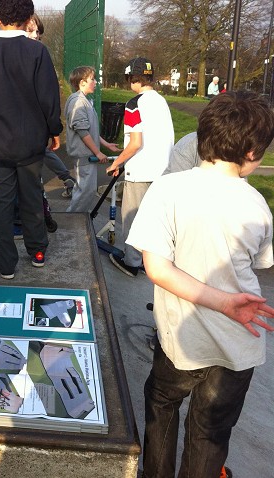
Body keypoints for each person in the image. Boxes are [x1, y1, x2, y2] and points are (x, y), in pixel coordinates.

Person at [127, 91, 274, 478]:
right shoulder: (257, 203)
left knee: (161, 401)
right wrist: (228, 302)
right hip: (239, 343)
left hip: (183, 338)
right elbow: (260, 262)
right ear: (252, 153)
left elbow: (157, 268)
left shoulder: (168, 190)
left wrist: (221, 301)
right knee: (210, 432)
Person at [0, 0, 61, 279]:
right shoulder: (37, 51)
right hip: (31, 143)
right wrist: (54, 129)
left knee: (2, 202)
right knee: (31, 197)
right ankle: (37, 252)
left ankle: (6, 264)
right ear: (28, 17)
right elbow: (49, 97)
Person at [105, 57, 173, 277]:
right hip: (163, 169)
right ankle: (148, 260)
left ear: (132, 79)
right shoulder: (161, 101)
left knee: (133, 217)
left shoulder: (134, 104)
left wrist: (117, 162)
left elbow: (135, 143)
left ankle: (132, 262)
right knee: (153, 218)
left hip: (141, 171)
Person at [25, 13, 76, 199]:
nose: (35, 35)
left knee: (35, 160)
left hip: (34, 125)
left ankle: (40, 204)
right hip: (21, 127)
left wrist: (53, 128)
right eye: (30, 30)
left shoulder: (40, 54)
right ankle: (65, 179)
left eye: (37, 31)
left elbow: (49, 94)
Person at [65, 66, 120, 212]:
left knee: (86, 192)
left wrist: (106, 145)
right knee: (84, 193)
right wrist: (98, 153)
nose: (96, 82)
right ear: (82, 82)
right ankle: (72, 225)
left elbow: (89, 130)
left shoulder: (85, 101)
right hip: (84, 156)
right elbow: (83, 132)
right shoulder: (78, 102)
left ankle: (76, 223)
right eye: (92, 79)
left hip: (88, 155)